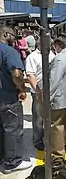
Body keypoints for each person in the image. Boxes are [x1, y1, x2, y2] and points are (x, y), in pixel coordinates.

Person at [0, 26, 32, 173]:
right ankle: (12, 163)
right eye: (14, 35)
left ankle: (3, 157)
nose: (16, 39)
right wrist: (22, 89)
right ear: (5, 34)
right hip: (7, 98)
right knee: (12, 129)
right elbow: (17, 74)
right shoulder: (9, 51)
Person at [25, 38, 55, 151]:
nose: (49, 46)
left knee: (50, 117)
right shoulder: (32, 57)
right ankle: (38, 140)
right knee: (38, 118)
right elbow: (30, 76)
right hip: (39, 92)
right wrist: (38, 92)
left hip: (51, 92)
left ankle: (49, 138)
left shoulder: (52, 54)